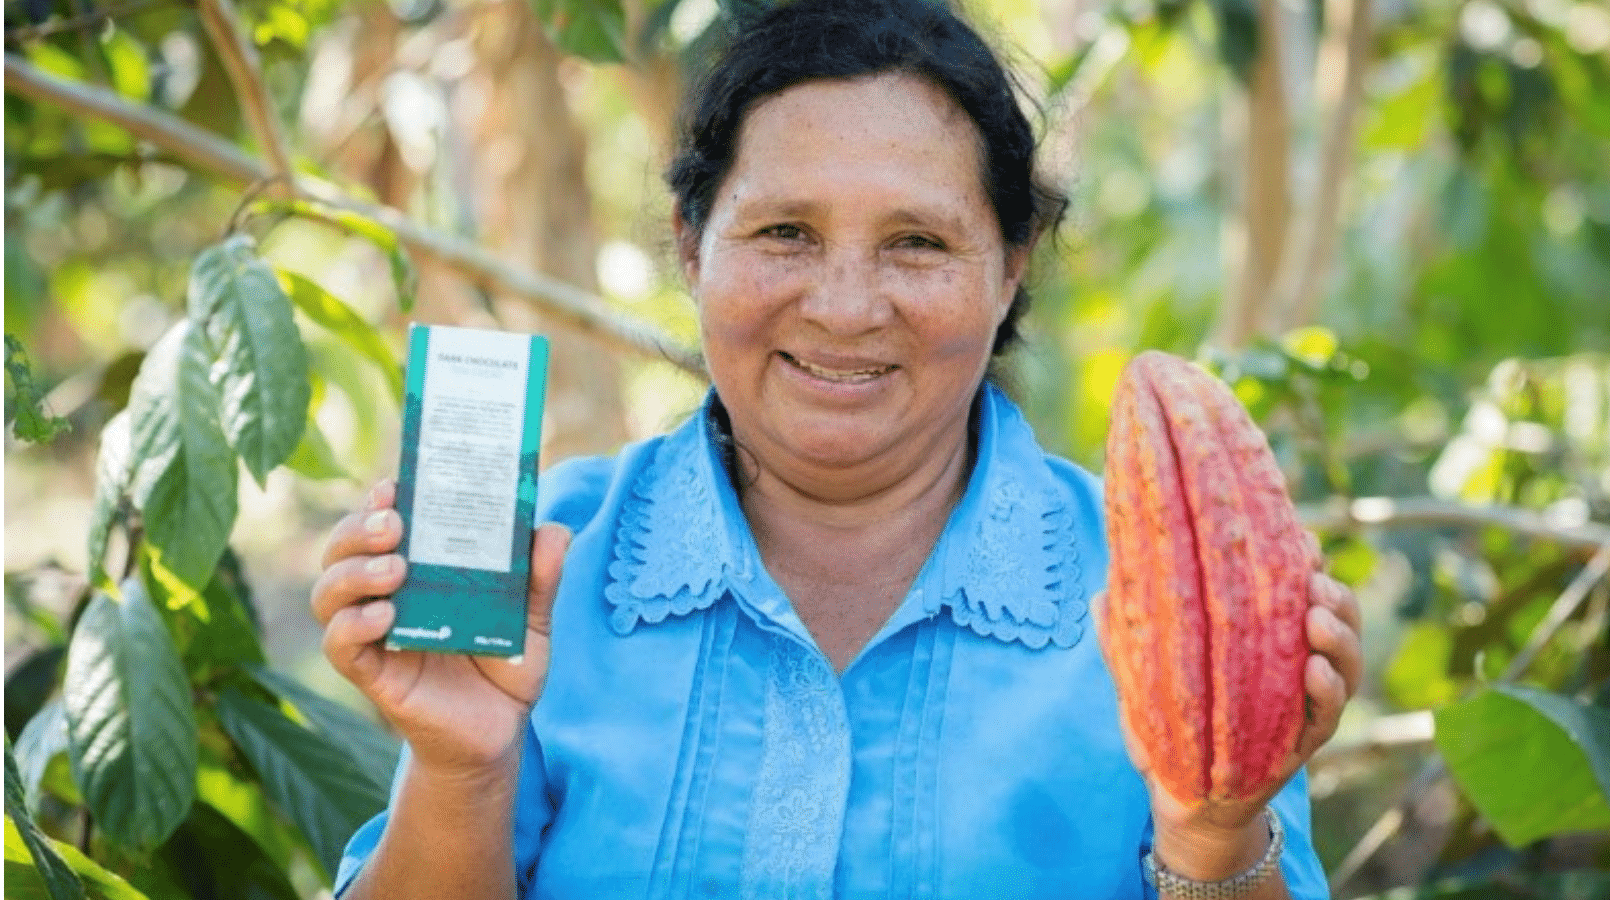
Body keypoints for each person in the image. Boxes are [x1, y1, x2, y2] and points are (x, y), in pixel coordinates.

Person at [310, 0, 1364, 896]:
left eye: (915, 242)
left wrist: (1211, 835)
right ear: (690, 248)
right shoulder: (540, 562)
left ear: (1007, 267)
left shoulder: (1165, 595)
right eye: (783, 235)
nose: (846, 307)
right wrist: (460, 769)